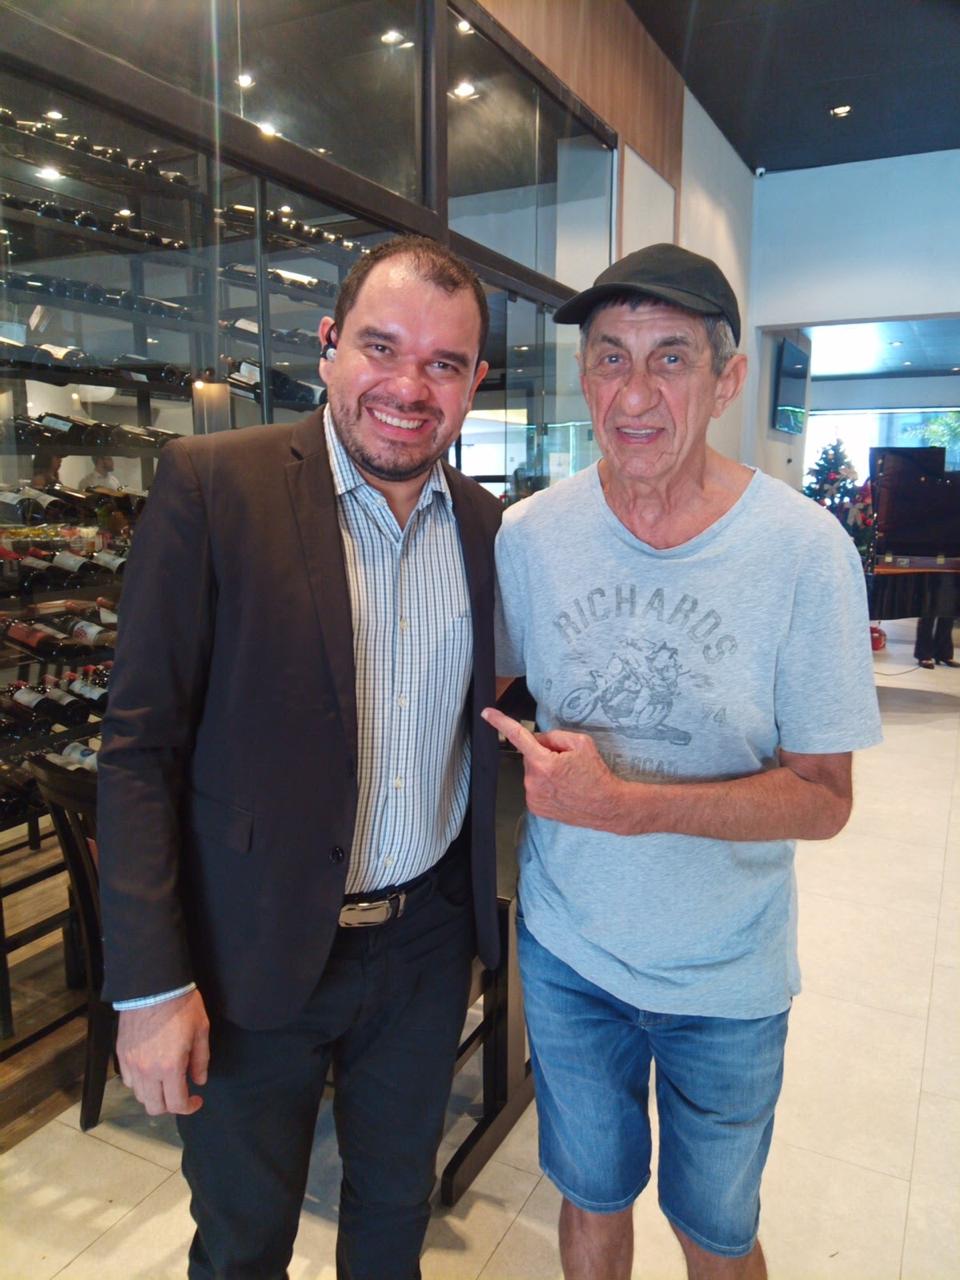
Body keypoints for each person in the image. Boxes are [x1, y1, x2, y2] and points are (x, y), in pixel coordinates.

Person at [98, 235, 503, 1280]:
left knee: (393, 1218)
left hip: (425, 949)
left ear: (474, 383)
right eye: (381, 346)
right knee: (243, 1243)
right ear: (328, 346)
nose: (409, 387)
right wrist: (149, 984)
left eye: (444, 363)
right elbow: (138, 748)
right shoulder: (213, 485)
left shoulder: (488, 527)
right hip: (249, 948)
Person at [484, 243, 882, 1280]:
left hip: (727, 974)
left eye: (670, 358)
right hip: (569, 954)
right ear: (585, 377)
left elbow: (826, 798)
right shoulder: (530, 536)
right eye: (611, 358)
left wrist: (626, 804)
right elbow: (485, 690)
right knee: (590, 1197)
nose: (636, 393)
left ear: (727, 378)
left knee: (716, 1231)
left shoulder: (805, 553)